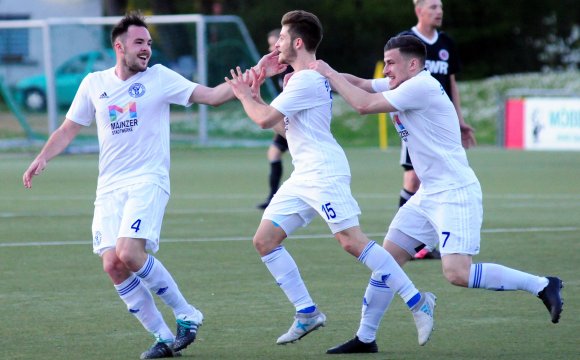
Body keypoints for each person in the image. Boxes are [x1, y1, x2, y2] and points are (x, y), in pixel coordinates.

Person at [22, 11, 283, 360]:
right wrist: (43, 157)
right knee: (113, 264)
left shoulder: (160, 78)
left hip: (148, 179)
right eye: (139, 43)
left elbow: (213, 95)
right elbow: (69, 128)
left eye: (148, 43)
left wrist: (258, 72)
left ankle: (187, 313)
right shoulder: (93, 83)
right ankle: (162, 337)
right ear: (119, 47)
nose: (147, 49)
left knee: (129, 253)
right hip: (109, 188)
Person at [309, 35, 564, 354]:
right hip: (428, 194)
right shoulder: (402, 83)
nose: (386, 69)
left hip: (454, 192)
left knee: (457, 273)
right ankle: (366, 338)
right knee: (387, 262)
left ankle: (542, 285)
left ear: (413, 64)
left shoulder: (421, 87)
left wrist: (328, 73)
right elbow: (359, 83)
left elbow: (363, 105)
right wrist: (313, 72)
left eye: (391, 63)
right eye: (385, 63)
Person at [225, 10, 436, 348]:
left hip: (324, 172)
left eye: (280, 38)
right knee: (264, 240)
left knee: (352, 242)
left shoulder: (308, 79)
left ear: (297, 42)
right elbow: (284, 127)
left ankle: (417, 300)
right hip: (304, 174)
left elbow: (264, 120)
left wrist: (245, 96)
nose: (275, 44)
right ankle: (307, 312)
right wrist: (258, 94)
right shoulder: (296, 79)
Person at [399, 0, 476, 260]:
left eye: (440, 6)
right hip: (416, 124)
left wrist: (460, 119)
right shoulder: (406, 41)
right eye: (432, 6)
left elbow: (451, 83)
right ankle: (410, 241)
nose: (439, 11)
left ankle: (422, 241)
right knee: (413, 178)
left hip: (441, 127)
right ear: (418, 9)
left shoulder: (446, 44)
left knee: (436, 177)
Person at [257, 28, 290, 210]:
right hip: (286, 119)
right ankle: (273, 197)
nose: (272, 47)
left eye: (274, 43)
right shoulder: (280, 66)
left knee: (302, 156)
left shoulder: (292, 67)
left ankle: (274, 197)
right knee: (274, 153)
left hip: (294, 121)